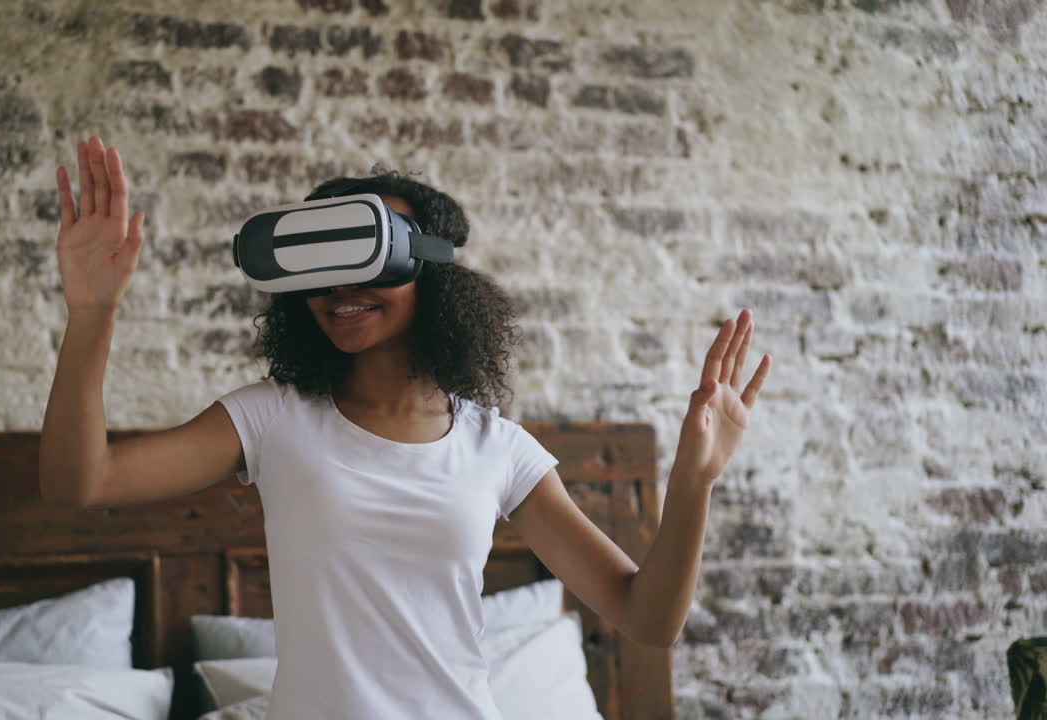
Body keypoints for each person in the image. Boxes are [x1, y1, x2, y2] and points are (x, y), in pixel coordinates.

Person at [39, 136, 772, 720]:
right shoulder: (272, 417)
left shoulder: (498, 449)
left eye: (367, 254)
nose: (340, 288)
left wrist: (694, 481)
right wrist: (93, 313)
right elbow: (81, 483)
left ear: (433, 272)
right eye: (318, 265)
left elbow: (648, 620)